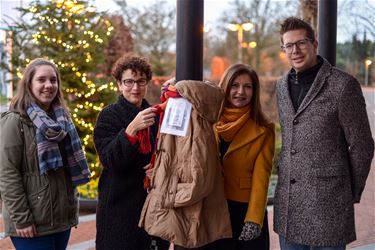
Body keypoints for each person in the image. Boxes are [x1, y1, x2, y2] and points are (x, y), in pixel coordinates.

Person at [274, 17, 374, 250]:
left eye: (301, 43)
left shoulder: (342, 85)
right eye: (288, 45)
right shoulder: (281, 86)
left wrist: (349, 191)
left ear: (314, 44)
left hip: (329, 207)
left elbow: (362, 146)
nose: (295, 50)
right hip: (289, 208)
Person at [0, 58, 90, 250]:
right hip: (31, 221)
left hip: (60, 219)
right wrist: (22, 218)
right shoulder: (15, 121)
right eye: (41, 80)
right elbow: (7, 174)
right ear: (29, 84)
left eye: (53, 80)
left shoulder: (63, 120)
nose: (48, 85)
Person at [139, 79, 232, 250]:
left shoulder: (194, 115)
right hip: (183, 211)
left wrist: (163, 193)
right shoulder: (173, 108)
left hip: (189, 212)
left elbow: (198, 183)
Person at [93, 54, 169, 250]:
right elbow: (109, 159)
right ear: (119, 84)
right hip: (120, 209)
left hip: (152, 208)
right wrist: (130, 130)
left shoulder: (156, 115)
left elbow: (167, 154)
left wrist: (158, 170)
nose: (135, 88)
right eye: (128, 82)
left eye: (140, 81)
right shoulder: (109, 115)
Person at [214, 63, 275, 250]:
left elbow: (261, 178)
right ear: (225, 87)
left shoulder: (263, 129)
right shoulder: (209, 120)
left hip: (244, 210)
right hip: (213, 207)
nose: (241, 92)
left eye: (248, 86)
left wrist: (254, 219)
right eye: (235, 85)